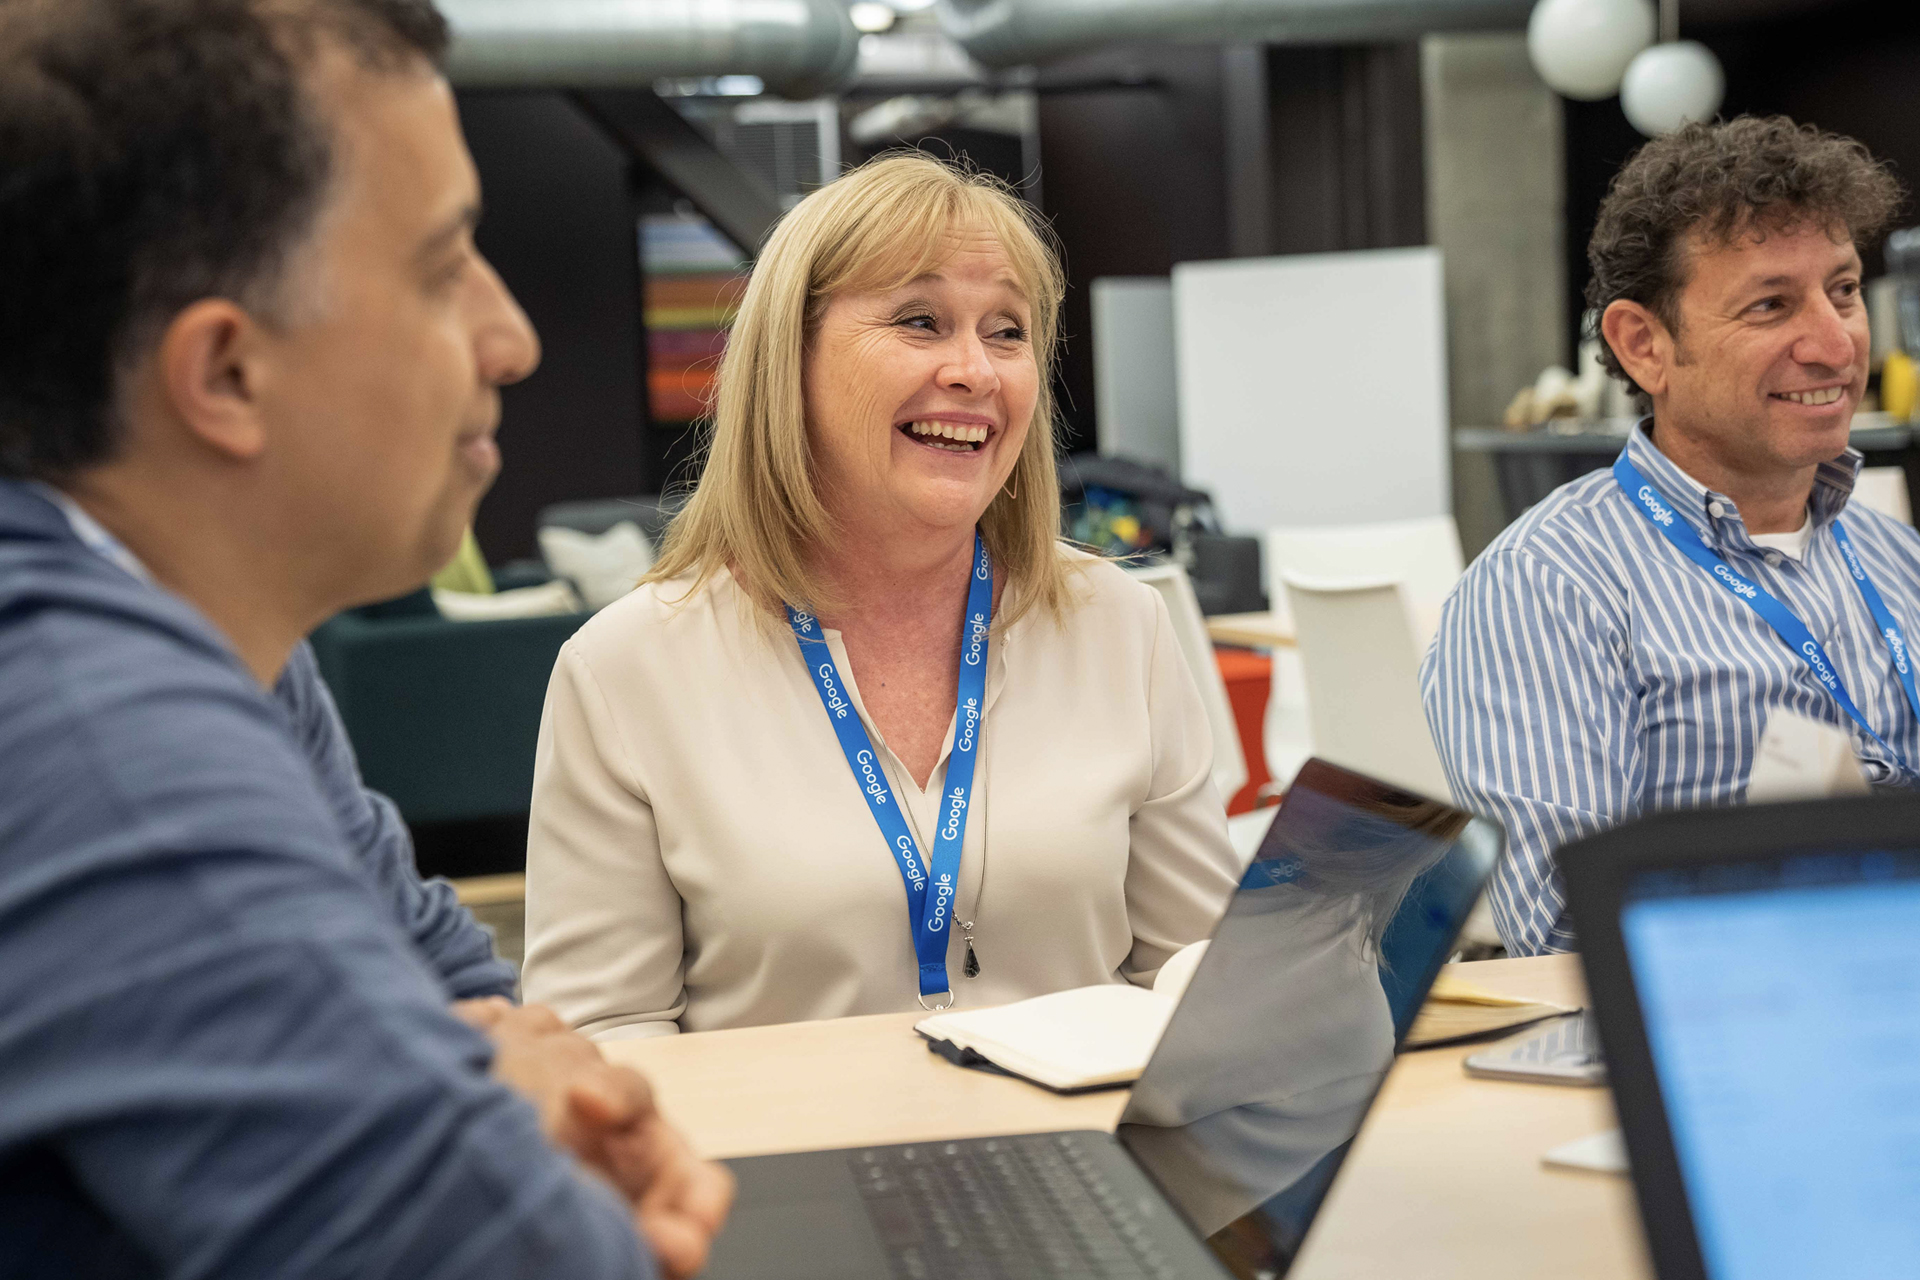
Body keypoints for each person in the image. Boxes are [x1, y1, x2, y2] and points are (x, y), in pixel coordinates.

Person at [0, 1, 728, 1274]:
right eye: (445, 268)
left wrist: (494, 1084)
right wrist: (494, 1106)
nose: (513, 339)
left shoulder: (232, 642)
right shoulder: (94, 739)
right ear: (226, 373)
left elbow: (461, 989)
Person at [521, 154, 1243, 1038]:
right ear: (791, 358)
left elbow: (1191, 969)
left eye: (1008, 332)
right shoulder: (626, 669)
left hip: (1081, 1159)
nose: (975, 370)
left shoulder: (1119, 626)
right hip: (782, 1171)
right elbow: (602, 1038)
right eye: (920, 320)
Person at [1422, 116, 1912, 956]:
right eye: (1770, 305)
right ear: (1643, 345)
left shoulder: (1895, 559)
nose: (1836, 344)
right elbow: (1571, 930)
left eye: (1843, 289)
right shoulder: (1550, 591)